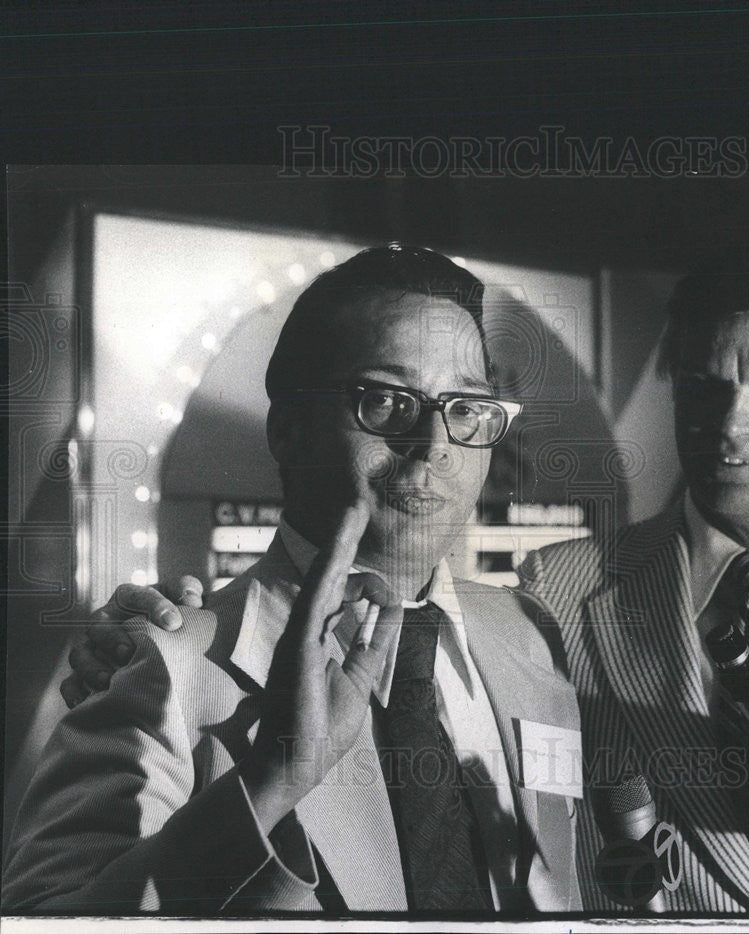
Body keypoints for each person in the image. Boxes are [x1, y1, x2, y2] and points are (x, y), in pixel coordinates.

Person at [59, 257, 749, 918]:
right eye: (385, 401)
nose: (729, 426)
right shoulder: (564, 595)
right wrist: (259, 773)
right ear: (289, 430)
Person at [3, 245, 583, 915]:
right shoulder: (164, 663)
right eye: (387, 401)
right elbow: (45, 918)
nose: (433, 445)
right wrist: (268, 783)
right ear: (288, 431)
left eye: (465, 408)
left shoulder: (531, 634)